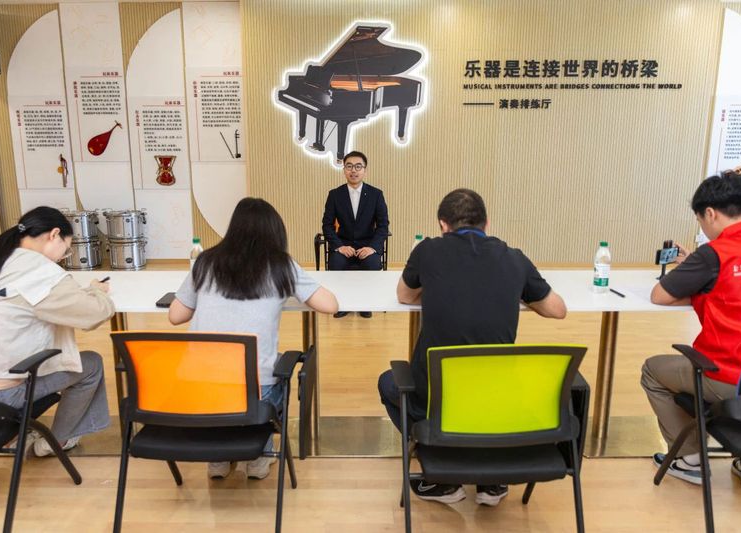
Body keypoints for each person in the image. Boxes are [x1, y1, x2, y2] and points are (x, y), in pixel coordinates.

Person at [377, 188, 567, 506]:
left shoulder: (427, 251)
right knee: (486, 390)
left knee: (388, 382)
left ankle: (443, 474)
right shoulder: (514, 258)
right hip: (497, 399)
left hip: (437, 399)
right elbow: (557, 310)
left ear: (443, 225)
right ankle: (491, 480)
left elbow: (404, 295)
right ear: (486, 223)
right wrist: (515, 291)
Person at [169, 197, 338, 480]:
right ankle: (259, 458)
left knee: (222, 380)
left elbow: (175, 315)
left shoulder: (206, 262)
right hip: (255, 396)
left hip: (200, 391)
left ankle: (218, 459)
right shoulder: (282, 266)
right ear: (276, 232)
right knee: (270, 371)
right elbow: (330, 305)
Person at [642, 170, 741, 489]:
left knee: (653, 371)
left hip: (728, 377)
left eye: (700, 220)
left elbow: (660, 295)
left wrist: (697, 271)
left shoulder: (714, 253)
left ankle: (690, 457)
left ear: (710, 213)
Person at [0, 206, 114, 456]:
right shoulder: (39, 271)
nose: (62, 258)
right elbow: (94, 313)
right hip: (0, 395)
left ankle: (15, 435)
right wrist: (97, 291)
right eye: (66, 250)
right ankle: (57, 441)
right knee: (91, 364)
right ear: (54, 234)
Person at [321, 150, 389, 318]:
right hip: (344, 244)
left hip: (367, 245)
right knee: (336, 262)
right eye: (349, 166)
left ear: (365, 170)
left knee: (372, 263)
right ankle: (342, 303)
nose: (354, 170)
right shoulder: (335, 195)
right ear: (344, 169)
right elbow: (327, 225)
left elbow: (383, 225)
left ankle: (365, 303)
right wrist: (339, 247)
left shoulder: (376, 194)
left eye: (358, 166)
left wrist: (372, 247)